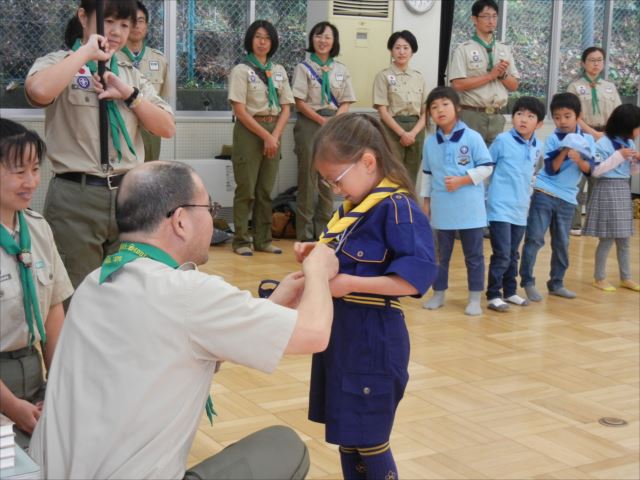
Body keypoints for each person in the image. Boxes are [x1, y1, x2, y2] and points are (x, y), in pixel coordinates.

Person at [29, 161, 339, 479]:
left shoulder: (96, 282)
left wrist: (274, 304)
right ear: (180, 221)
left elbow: (188, 341)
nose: (212, 216)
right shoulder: (187, 293)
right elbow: (314, 334)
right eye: (209, 207)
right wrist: (318, 269)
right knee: (284, 446)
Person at [294, 113, 436, 480]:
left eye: (336, 179)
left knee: (370, 441)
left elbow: (415, 280)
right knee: (349, 439)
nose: (335, 189)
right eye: (328, 182)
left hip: (373, 343)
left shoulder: (397, 207)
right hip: (343, 340)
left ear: (368, 161)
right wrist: (317, 252)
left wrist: (353, 285)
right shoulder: (353, 210)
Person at [24, 0, 175, 291]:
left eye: (124, 24)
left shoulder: (131, 75)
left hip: (128, 195)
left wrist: (130, 96)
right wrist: (84, 53)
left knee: (127, 289)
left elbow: (166, 127)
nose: (117, 32)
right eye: (109, 21)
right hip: (75, 197)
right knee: (74, 293)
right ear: (83, 16)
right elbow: (39, 91)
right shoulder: (59, 62)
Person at [0, 119, 73, 449]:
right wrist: (12, 407)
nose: (31, 182)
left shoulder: (38, 229)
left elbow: (53, 311)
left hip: (35, 376)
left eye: (34, 169)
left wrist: (57, 386)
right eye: (18, 171)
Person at [421, 86, 493, 316]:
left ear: (457, 108)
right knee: (440, 255)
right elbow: (427, 175)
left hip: (470, 209)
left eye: (445, 104)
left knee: (474, 256)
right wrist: (426, 203)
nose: (439, 110)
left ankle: (474, 298)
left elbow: (486, 167)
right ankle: (438, 293)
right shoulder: (430, 142)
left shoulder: (472, 137)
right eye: (434, 107)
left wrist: (462, 180)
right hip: (442, 209)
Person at [519, 92, 595, 302]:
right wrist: (564, 150)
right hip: (544, 192)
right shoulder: (552, 138)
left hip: (568, 199)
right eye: (557, 117)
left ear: (577, 116)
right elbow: (551, 169)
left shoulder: (587, 139)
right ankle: (527, 281)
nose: (562, 121)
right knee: (534, 239)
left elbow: (590, 171)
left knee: (562, 242)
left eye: (567, 116)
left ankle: (557, 283)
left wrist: (579, 159)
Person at [228, 20, 294, 256]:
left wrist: (274, 136)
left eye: (267, 37)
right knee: (246, 190)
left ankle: (263, 240)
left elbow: (286, 107)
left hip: (273, 131)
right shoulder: (241, 70)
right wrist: (266, 135)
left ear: (273, 41)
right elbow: (240, 110)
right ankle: (241, 240)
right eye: (258, 36)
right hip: (249, 132)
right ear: (250, 40)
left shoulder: (279, 71)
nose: (262, 41)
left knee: (265, 190)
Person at [292, 21, 356, 241]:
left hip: (335, 126)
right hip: (310, 124)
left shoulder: (341, 69)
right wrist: (321, 120)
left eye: (327, 37)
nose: (323, 41)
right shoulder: (303, 68)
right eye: (319, 36)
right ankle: (305, 234)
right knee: (308, 179)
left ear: (334, 41)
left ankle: (327, 232)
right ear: (312, 39)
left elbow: (347, 101)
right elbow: (299, 101)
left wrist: (335, 121)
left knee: (331, 178)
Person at [485, 97, 545, 312]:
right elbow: (486, 167)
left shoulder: (538, 145)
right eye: (520, 114)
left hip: (521, 209)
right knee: (501, 254)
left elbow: (533, 174)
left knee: (513, 254)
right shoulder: (502, 140)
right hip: (499, 207)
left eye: (530, 116)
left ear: (538, 124)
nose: (523, 119)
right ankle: (493, 294)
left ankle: (510, 292)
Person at [585, 104, 640, 292]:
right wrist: (618, 156)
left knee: (624, 238)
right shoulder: (603, 143)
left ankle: (626, 277)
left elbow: (631, 171)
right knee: (607, 238)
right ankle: (599, 277)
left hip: (623, 188)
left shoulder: (629, 143)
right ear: (626, 125)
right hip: (607, 189)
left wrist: (636, 162)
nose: (639, 131)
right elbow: (596, 171)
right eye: (637, 126)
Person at [567, 47, 622, 235]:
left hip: (606, 136)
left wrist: (607, 134)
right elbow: (572, 114)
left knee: (598, 181)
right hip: (583, 134)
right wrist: (592, 133)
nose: (596, 63)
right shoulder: (575, 87)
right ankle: (574, 223)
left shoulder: (610, 87)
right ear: (583, 63)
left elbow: (618, 114)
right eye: (592, 60)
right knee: (578, 179)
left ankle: (592, 223)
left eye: (600, 60)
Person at [449, 0, 520, 146]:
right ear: (474, 19)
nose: (491, 21)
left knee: (493, 163)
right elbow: (457, 84)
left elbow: (514, 86)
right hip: (472, 115)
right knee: (470, 161)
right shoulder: (464, 49)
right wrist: (490, 76)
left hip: (497, 116)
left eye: (494, 16)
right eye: (486, 16)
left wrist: (502, 75)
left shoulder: (504, 49)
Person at [116, 0, 170, 161]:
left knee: (150, 177)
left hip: (150, 128)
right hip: (121, 126)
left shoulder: (159, 59)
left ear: (146, 25)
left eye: (140, 21)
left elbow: (163, 97)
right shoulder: (110, 57)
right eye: (130, 21)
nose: (136, 26)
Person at [373, 30, 428, 186]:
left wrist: (413, 133)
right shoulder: (383, 76)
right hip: (392, 129)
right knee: (392, 175)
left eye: (406, 47)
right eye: (397, 47)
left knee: (411, 176)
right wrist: (403, 133)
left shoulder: (419, 77)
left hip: (416, 130)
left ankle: (408, 209)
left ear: (412, 51)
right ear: (391, 50)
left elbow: (426, 112)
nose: (402, 52)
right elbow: (383, 111)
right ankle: (391, 209)